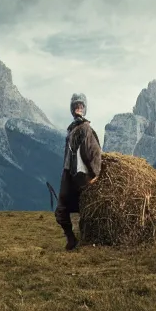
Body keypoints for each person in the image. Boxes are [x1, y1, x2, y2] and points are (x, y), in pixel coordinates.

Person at [55, 93, 102, 251]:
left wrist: (95, 174)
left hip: (82, 175)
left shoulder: (86, 128)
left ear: (85, 108)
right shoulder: (71, 129)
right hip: (69, 173)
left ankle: (86, 240)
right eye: (76, 106)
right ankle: (71, 239)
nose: (78, 108)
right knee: (61, 209)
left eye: (81, 106)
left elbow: (95, 152)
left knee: (86, 208)